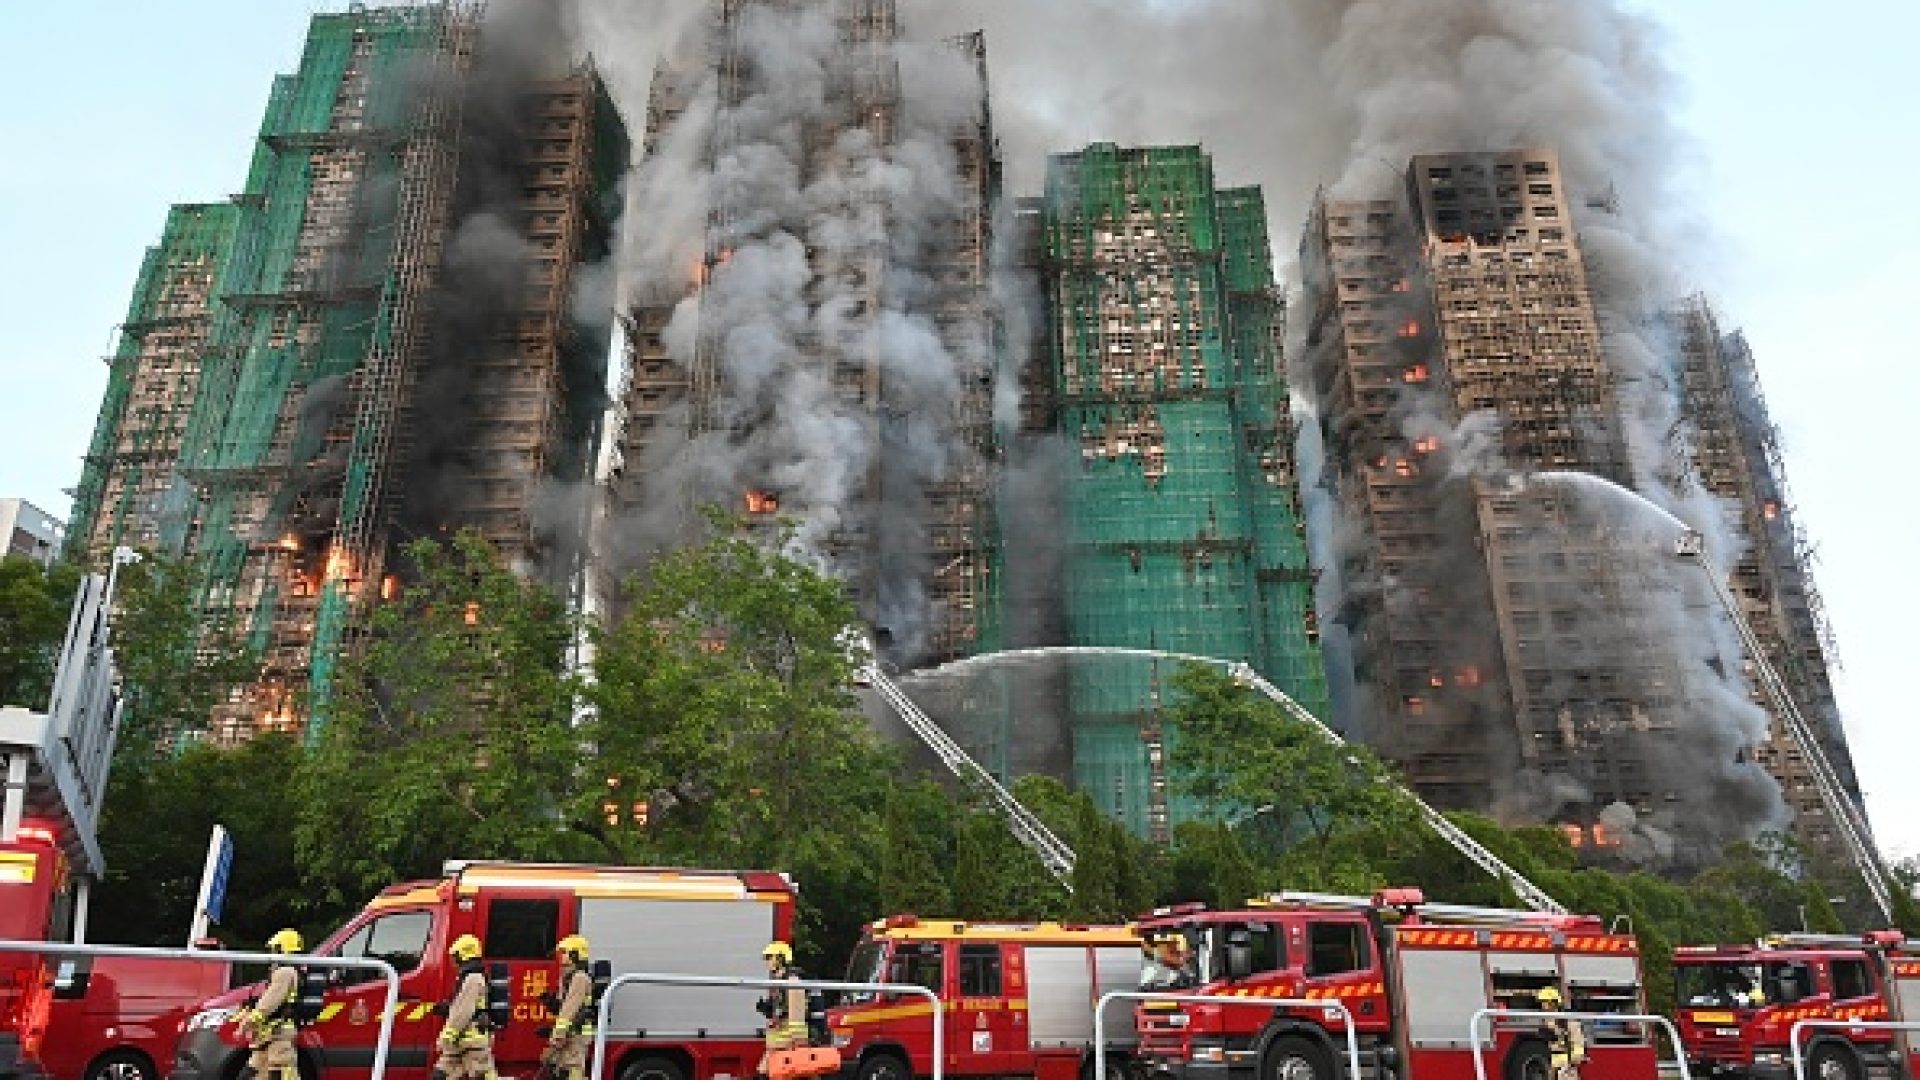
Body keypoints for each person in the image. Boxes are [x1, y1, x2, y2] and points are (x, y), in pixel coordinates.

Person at [235, 929, 303, 1080]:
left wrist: (248, 1022)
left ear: (282, 949)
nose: (271, 954)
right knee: (251, 1074)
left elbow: (270, 1003)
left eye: (274, 949)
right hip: (268, 1037)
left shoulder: (285, 973)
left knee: (280, 1074)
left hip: (278, 1037)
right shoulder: (289, 971)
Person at [435, 934, 499, 1080]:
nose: (453, 960)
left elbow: (464, 1010)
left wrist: (446, 1037)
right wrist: (448, 1008)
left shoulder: (472, 978)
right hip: (462, 1043)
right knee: (439, 1076)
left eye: (455, 955)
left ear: (464, 954)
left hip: (472, 1043)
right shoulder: (469, 977)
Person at [755, 942, 809, 1080]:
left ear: (780, 958)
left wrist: (796, 1044)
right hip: (777, 1045)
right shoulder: (780, 982)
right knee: (762, 1074)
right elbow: (783, 1010)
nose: (767, 962)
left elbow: (797, 1017)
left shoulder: (793, 982)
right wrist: (769, 1010)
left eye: (770, 957)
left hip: (787, 1046)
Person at [546, 935, 596, 1080]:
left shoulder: (579, 978)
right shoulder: (568, 977)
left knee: (572, 1070)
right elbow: (563, 1007)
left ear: (575, 955)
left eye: (565, 953)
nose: (561, 957)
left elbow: (569, 1009)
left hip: (576, 1034)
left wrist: (557, 1037)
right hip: (571, 1033)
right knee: (563, 1069)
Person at [1537, 986, 1586, 1080]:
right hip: (1550, 1068)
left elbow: (1578, 1043)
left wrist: (1572, 1061)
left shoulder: (1567, 1021)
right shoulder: (1544, 1022)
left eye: (1544, 1002)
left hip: (1565, 1069)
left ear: (1553, 1003)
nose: (1542, 1006)